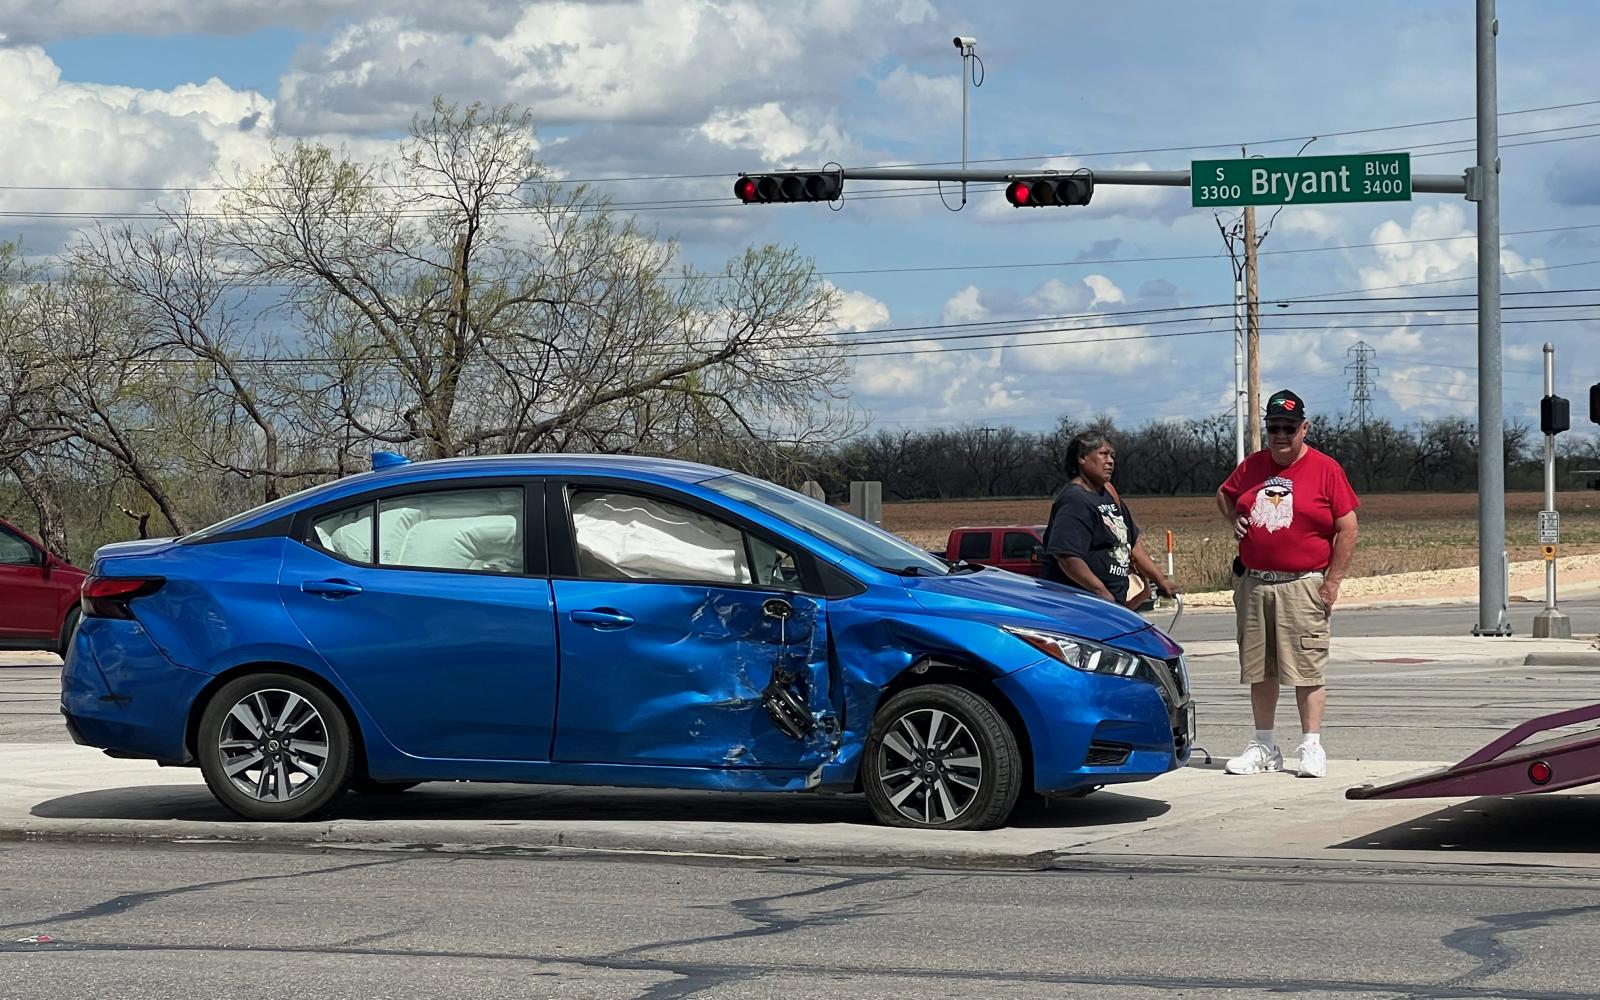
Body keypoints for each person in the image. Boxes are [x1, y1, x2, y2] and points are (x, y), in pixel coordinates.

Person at [1216, 390, 1359, 779]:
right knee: (1260, 670)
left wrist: (1332, 583)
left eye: (1289, 429)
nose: (1281, 435)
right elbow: (1224, 496)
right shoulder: (1252, 466)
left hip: (1303, 584)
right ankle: (1264, 746)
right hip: (1255, 583)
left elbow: (1348, 528)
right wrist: (1235, 522)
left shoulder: (1326, 469)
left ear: (1304, 429)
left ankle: (1311, 746)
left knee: (1306, 669)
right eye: (1274, 427)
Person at [1043, 431, 1178, 609]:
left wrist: (1160, 580)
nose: (1110, 461)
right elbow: (1067, 556)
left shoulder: (1109, 495)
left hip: (1114, 605)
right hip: (1084, 606)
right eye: (1103, 454)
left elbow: (1133, 544)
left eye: (1112, 456)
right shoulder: (1075, 500)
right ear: (1082, 457)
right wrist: (1100, 591)